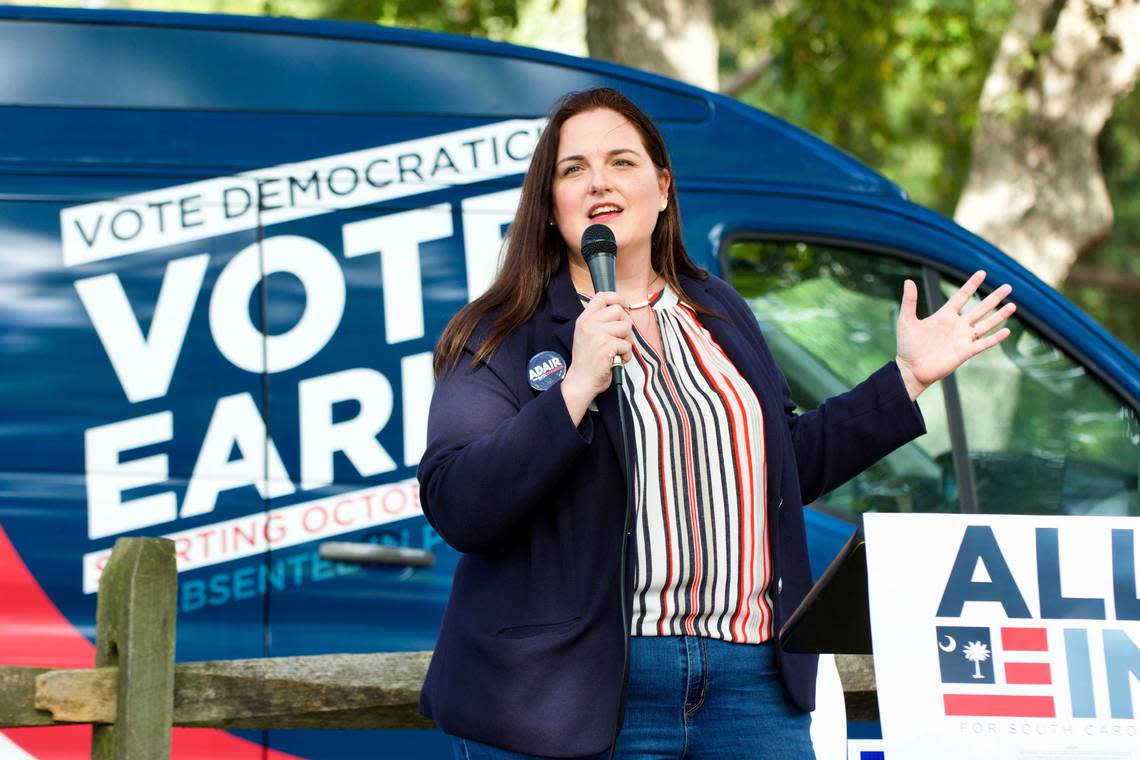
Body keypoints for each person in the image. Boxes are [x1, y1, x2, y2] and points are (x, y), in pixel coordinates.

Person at [417, 87, 1015, 760]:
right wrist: (575, 390)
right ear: (550, 207)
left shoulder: (717, 312)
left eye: (622, 161)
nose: (600, 182)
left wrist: (907, 378)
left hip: (750, 685)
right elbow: (457, 503)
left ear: (663, 186)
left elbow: (785, 464)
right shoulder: (503, 333)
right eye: (573, 168)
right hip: (588, 693)